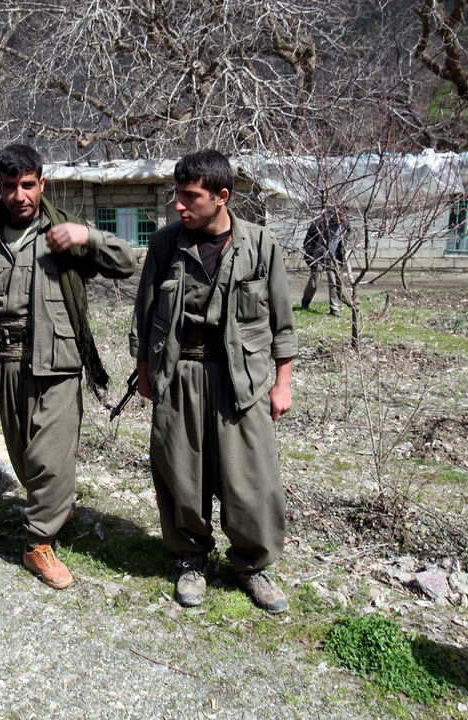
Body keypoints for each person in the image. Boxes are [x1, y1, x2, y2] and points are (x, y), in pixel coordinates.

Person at [0, 143, 136, 590]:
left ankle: (37, 541)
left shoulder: (63, 232)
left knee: (49, 459)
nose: (19, 195)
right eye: (9, 186)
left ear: (42, 181)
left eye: (28, 185)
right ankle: (55, 507)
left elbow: (126, 262)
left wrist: (89, 237)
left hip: (58, 362)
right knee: (23, 457)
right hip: (8, 362)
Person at [130, 150, 297, 614]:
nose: (179, 206)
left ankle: (252, 565)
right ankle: (191, 560)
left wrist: (282, 385)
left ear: (222, 196)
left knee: (252, 480)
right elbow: (145, 318)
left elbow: (282, 324)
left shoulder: (261, 245)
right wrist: (146, 376)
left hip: (240, 380)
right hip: (180, 373)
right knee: (181, 473)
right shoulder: (166, 245)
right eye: (177, 195)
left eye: (190, 197)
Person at [300, 209, 347, 315]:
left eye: (343, 218)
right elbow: (308, 241)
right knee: (314, 282)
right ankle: (305, 302)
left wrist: (341, 259)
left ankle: (335, 309)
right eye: (339, 217)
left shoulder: (344, 226)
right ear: (334, 214)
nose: (341, 220)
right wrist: (310, 257)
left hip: (333, 258)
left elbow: (343, 243)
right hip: (318, 256)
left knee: (334, 283)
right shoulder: (320, 222)